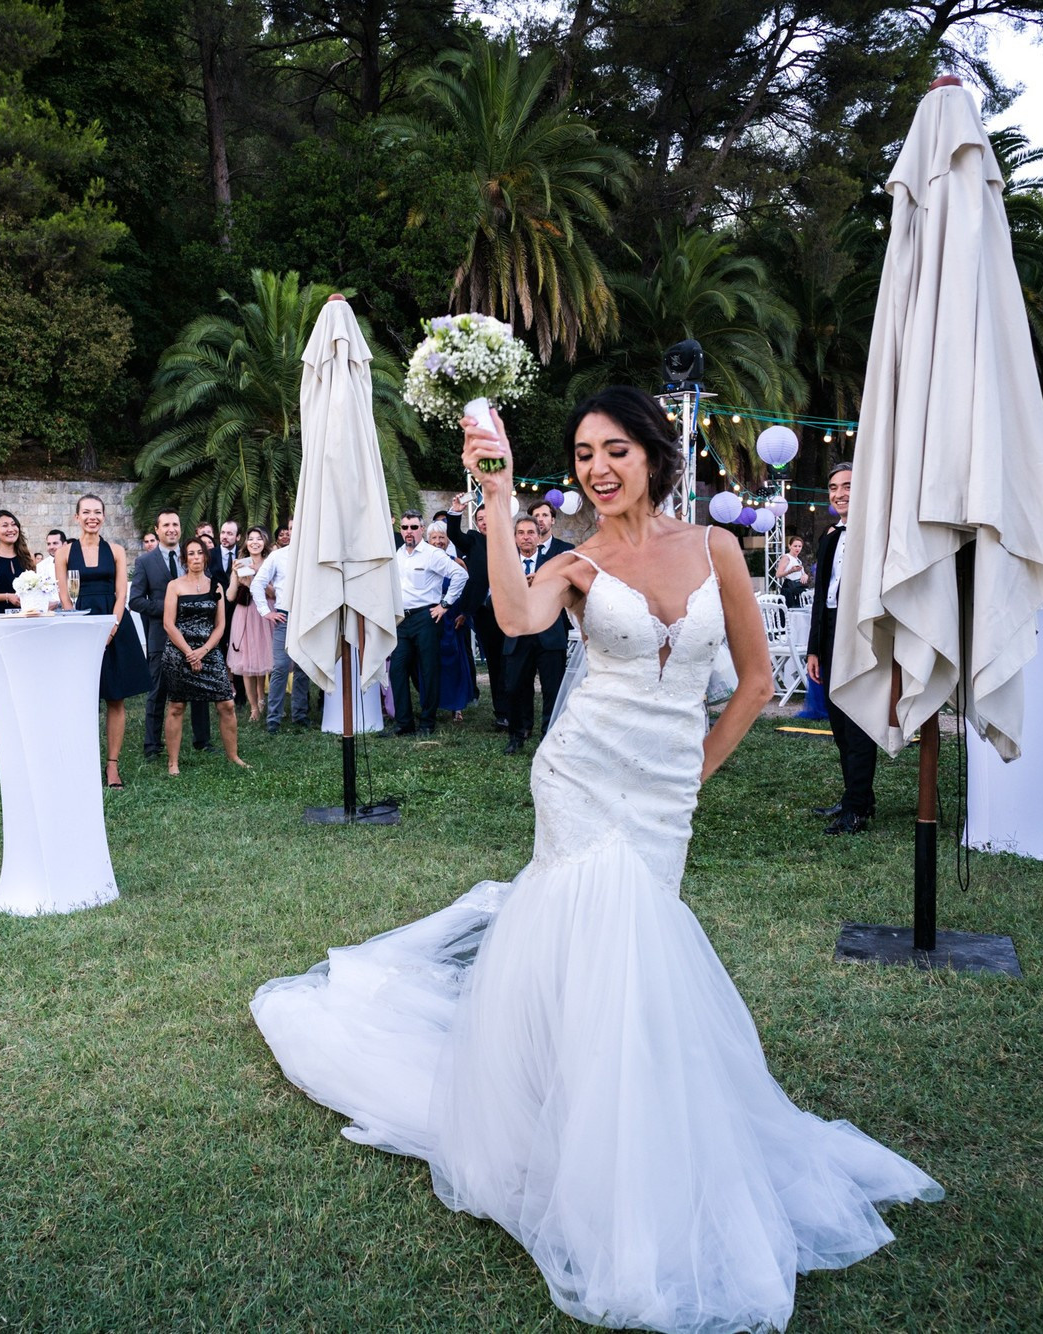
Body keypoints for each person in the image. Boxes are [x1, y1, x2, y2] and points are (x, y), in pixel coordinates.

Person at [251, 387, 939, 1334]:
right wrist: (493, 503)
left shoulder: (717, 549)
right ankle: (579, 1142)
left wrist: (695, 773)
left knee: (639, 961)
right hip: (578, 776)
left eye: (613, 449)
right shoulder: (576, 561)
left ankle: (625, 1123)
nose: (597, 469)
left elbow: (753, 682)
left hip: (663, 793)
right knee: (597, 948)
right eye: (581, 455)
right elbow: (518, 620)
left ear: (653, 454)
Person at [56, 494, 152, 788]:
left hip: (113, 626)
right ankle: (81, 761)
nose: (92, 517)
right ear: (76, 517)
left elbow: (122, 593)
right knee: (80, 699)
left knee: (115, 697)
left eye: (97, 512)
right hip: (78, 628)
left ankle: (112, 766)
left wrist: (111, 627)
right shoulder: (64, 552)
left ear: (104, 517)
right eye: (86, 512)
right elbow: (64, 595)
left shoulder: (117, 551)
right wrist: (78, 628)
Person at [806, 462, 876, 834]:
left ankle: (857, 809)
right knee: (837, 719)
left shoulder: (873, 534)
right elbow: (820, 598)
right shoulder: (830, 536)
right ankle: (857, 796)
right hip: (832, 630)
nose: (839, 493)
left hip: (861, 631)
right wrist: (814, 648)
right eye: (833, 487)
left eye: (848, 485)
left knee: (858, 719)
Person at [159, 537, 247, 774]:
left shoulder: (216, 587)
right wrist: (190, 653)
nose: (196, 557)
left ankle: (233, 756)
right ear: (184, 558)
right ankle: (173, 763)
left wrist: (204, 651)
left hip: (209, 651)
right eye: (191, 553)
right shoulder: (174, 586)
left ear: (206, 557)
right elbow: (168, 624)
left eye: (200, 553)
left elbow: (220, 626)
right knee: (176, 706)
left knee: (227, 704)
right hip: (180, 653)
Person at [132, 508, 213, 757]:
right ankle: (152, 746)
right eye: (166, 525)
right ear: (157, 530)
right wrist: (168, 608)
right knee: (158, 692)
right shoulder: (145, 562)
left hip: (195, 636)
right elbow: (135, 600)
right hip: (160, 636)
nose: (171, 529)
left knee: (199, 688)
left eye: (175, 524)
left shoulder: (192, 556)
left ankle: (203, 741)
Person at [387, 508, 467, 736]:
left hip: (427, 617)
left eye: (414, 527)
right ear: (400, 530)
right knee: (398, 669)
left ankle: (427, 723)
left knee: (429, 670)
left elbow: (460, 575)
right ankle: (404, 723)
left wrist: (445, 604)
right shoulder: (397, 555)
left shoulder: (432, 554)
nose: (409, 531)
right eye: (405, 527)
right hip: (402, 619)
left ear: (422, 529)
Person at [500, 514, 572, 753]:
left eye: (530, 533)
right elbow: (494, 600)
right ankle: (516, 736)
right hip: (517, 635)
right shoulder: (506, 564)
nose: (525, 538)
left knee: (552, 690)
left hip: (549, 634)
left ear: (539, 536)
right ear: (514, 538)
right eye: (520, 533)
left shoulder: (556, 561)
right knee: (514, 688)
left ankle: (548, 737)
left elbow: (570, 592)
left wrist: (542, 584)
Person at [446, 503, 507, 729]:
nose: (483, 521)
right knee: (494, 661)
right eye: (480, 518)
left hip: (512, 610)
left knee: (513, 660)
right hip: (485, 612)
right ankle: (502, 713)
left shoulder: (511, 540)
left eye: (487, 517)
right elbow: (454, 534)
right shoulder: (473, 540)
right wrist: (455, 511)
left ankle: (518, 708)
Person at [250, 519, 312, 730]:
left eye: (299, 527)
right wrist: (266, 612)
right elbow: (257, 584)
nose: (295, 531)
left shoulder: (314, 554)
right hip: (284, 618)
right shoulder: (277, 556)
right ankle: (273, 719)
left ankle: (300, 715)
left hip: (307, 619)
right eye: (292, 528)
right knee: (280, 667)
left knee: (303, 668)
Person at [427, 520, 477, 721]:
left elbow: (467, 589)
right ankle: (433, 701)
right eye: (434, 538)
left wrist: (464, 613)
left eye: (442, 537)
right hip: (431, 616)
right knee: (431, 661)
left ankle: (457, 706)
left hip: (453, 618)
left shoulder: (457, 562)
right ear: (428, 540)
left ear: (448, 541)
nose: (438, 541)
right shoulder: (423, 561)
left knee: (454, 660)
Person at [226, 527, 274, 723]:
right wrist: (236, 576)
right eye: (251, 538)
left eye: (259, 539)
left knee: (262, 656)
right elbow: (229, 596)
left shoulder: (271, 562)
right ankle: (253, 707)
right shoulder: (239, 563)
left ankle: (263, 699)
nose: (255, 542)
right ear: (246, 542)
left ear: (264, 542)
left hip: (264, 612)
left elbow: (274, 593)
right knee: (246, 661)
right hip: (245, 614)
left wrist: (255, 576)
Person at [0, 509, 35, 613]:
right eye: (5, 526)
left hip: (25, 616)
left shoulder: (28, 557)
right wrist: (7, 596)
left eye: (13, 525)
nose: (11, 529)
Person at [776, 534, 809, 606]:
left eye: (799, 546)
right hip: (789, 588)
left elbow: (801, 573)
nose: (797, 548)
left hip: (798, 588)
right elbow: (778, 574)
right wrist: (791, 571)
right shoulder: (786, 557)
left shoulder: (798, 560)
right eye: (795, 546)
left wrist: (805, 575)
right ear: (790, 546)